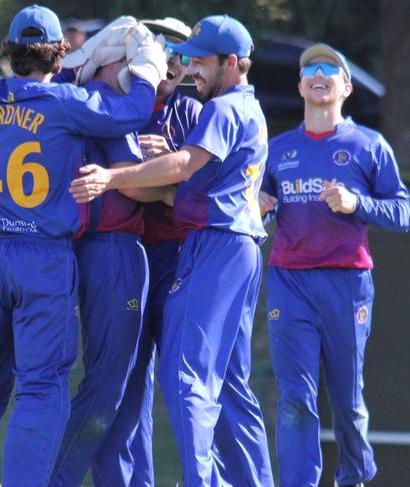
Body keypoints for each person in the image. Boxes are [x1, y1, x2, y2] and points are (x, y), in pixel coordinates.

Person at [0, 6, 162, 486]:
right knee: (40, 388)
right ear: (59, 54)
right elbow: (134, 111)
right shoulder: (65, 103)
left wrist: (65, 59)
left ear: (9, 52)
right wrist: (147, 70)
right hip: (44, 258)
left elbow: (37, 81)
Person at [69, 14, 274, 487]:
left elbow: (184, 166)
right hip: (231, 247)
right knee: (228, 383)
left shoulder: (219, 110)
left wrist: (115, 177)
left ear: (234, 63)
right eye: (184, 56)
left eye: (201, 60)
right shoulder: (245, 106)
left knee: (188, 382)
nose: (189, 67)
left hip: (211, 246)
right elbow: (194, 182)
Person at [259, 43, 410, 487]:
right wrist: (262, 205)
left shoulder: (369, 145)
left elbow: (402, 214)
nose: (318, 74)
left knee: (346, 399)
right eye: (310, 69)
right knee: (295, 397)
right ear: (301, 86)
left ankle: (356, 476)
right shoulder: (278, 149)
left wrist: (355, 203)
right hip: (289, 281)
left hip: (347, 283)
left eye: (330, 68)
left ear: (345, 87)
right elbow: (257, 208)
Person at [48, 19, 172, 487]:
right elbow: (137, 187)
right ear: (116, 62)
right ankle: (54, 479)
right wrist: (178, 178)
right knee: (107, 385)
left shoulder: (77, 103)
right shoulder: (110, 107)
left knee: (120, 387)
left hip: (82, 251)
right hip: (115, 251)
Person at [93, 17, 202, 487]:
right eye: (166, 51)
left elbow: (209, 192)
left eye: (185, 55)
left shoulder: (194, 114)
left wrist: (169, 161)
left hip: (180, 260)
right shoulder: (120, 105)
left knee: (190, 384)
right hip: (128, 257)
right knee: (126, 386)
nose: (174, 64)